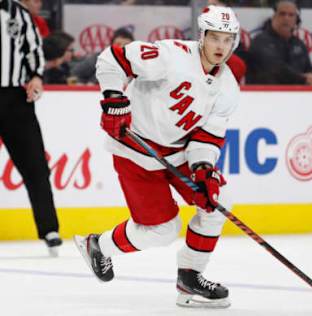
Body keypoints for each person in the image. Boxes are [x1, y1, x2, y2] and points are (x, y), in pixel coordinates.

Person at [74, 5, 240, 308]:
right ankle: (98, 245)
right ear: (202, 36)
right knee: (163, 230)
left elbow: (207, 136)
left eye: (227, 40)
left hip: (177, 154)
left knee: (218, 201)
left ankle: (190, 278)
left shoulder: (228, 86)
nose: (221, 46)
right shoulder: (171, 55)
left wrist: (203, 168)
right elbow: (112, 58)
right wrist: (114, 97)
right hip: (135, 150)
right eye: (215, 38)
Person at [0, 0, 62, 255]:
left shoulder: (19, 13)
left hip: (16, 99)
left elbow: (33, 49)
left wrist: (36, 76)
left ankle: (49, 229)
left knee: (35, 164)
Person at [246, 0, 312, 85]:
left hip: (296, 95)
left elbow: (309, 69)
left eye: (291, 15)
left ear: (296, 20)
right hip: (265, 95)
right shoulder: (260, 41)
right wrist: (303, 79)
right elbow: (276, 69)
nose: (286, 18)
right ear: (274, 17)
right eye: (282, 14)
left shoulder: (298, 44)